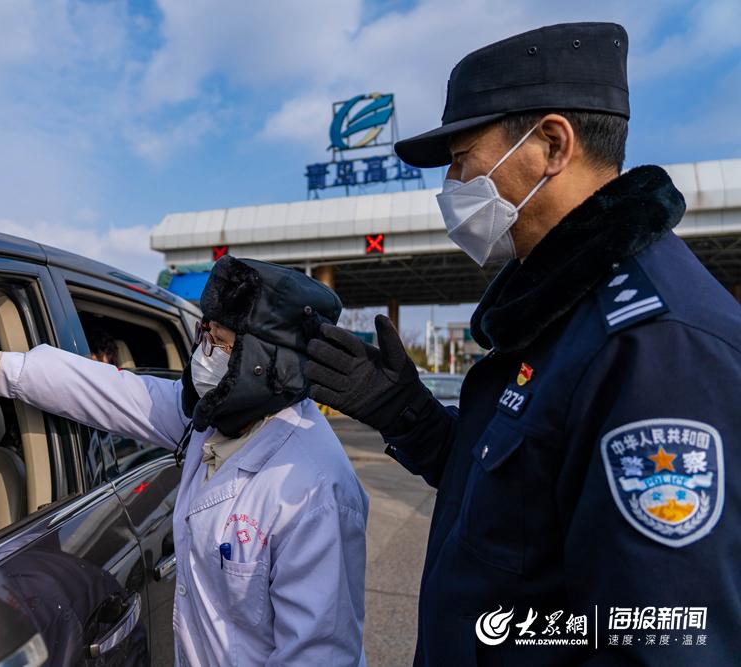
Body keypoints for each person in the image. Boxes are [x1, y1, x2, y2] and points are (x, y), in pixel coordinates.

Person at [306, 22, 740, 666]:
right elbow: (516, 503)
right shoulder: (558, 313)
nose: (452, 184)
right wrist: (406, 413)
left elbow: (660, 639)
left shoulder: (655, 346)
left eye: (462, 158)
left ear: (552, 144)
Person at [0, 256, 369, 666]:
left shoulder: (316, 489)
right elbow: (114, 393)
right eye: (205, 334)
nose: (204, 353)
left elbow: (319, 657)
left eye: (221, 342)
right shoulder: (219, 415)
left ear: (267, 362)